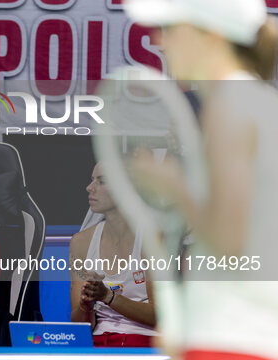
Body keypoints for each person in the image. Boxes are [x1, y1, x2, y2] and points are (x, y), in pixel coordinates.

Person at [124, 0, 278, 358]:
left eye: (172, 29)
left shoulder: (232, 105)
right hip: (241, 333)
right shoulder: (255, 100)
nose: (158, 41)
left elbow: (228, 240)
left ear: (211, 35)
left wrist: (171, 185)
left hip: (233, 340)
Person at [70, 162, 157, 347]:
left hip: (143, 342)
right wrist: (85, 306)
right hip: (99, 343)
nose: (89, 187)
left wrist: (108, 296)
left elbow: (161, 316)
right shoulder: (80, 242)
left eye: (101, 181)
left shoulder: (153, 239)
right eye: (92, 180)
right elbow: (79, 324)